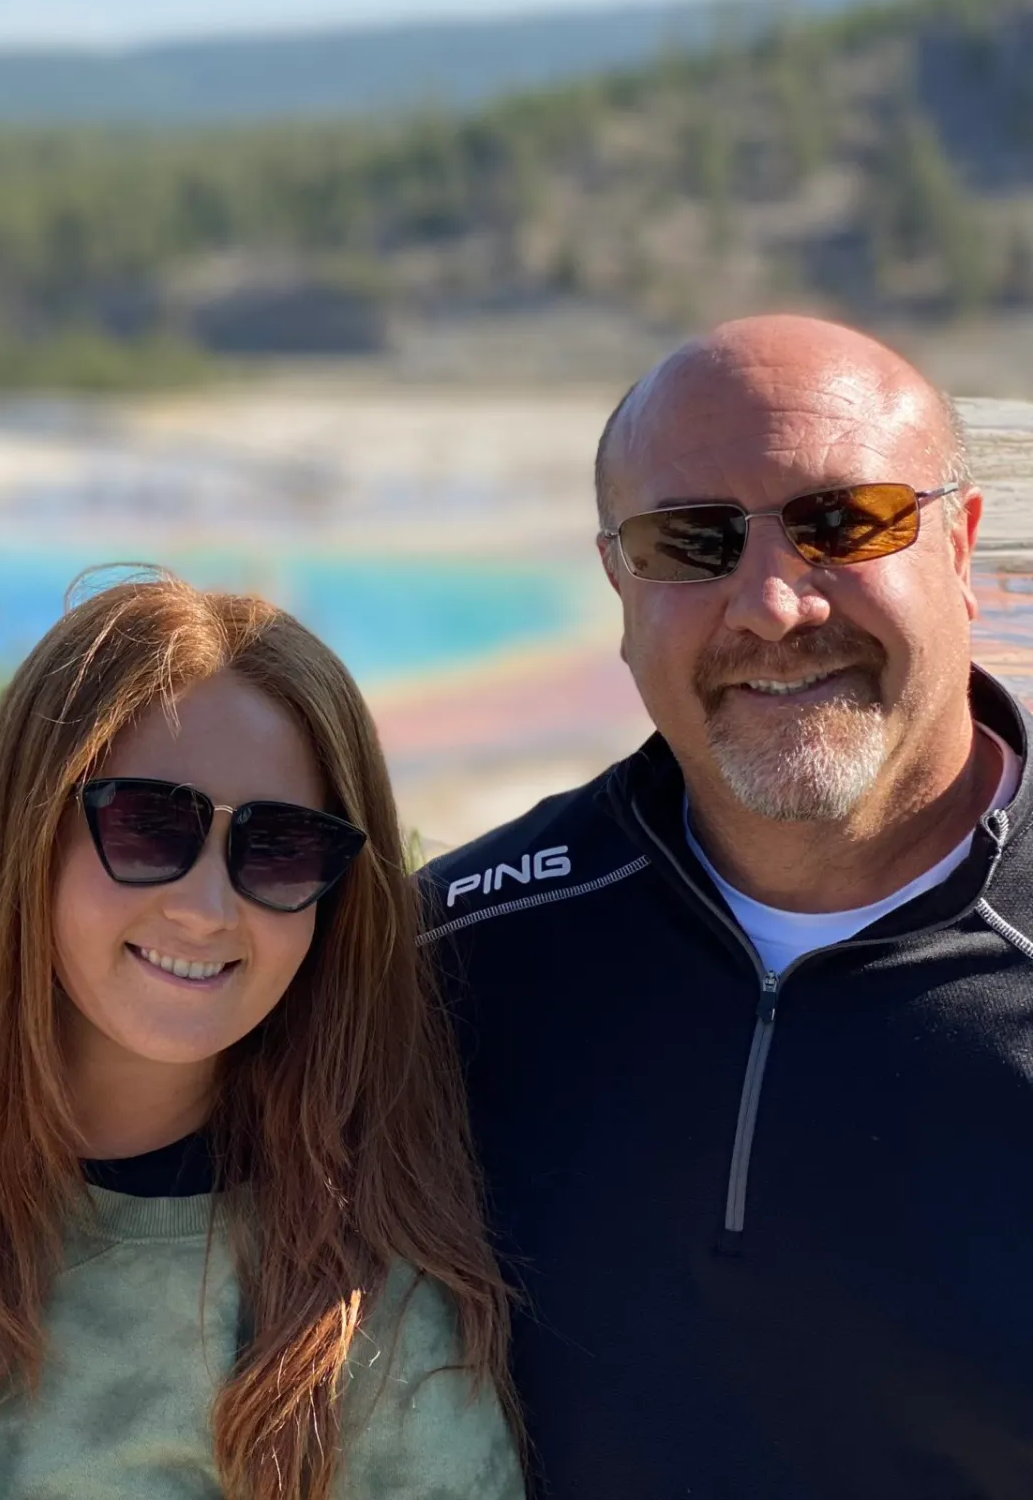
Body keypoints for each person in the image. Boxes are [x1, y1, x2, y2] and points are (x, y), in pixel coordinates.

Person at [0, 573, 520, 1500]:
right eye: (145, 825)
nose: (207, 908)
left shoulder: (370, 1320)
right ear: (29, 827)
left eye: (280, 847)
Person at [423, 314, 1033, 1496]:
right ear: (617, 583)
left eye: (845, 523)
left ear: (960, 548)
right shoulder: (454, 954)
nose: (771, 604)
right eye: (690, 541)